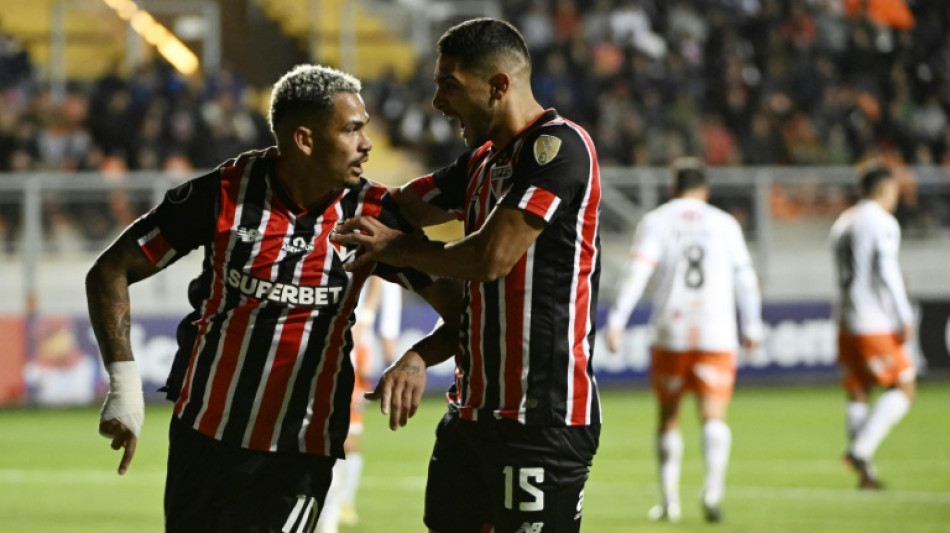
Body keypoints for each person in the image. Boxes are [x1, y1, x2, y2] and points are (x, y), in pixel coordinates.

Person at [85, 64, 459, 532]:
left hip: (300, 450)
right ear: (304, 140)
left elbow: (464, 309)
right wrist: (124, 389)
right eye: (351, 130)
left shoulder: (374, 215)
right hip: (204, 436)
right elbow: (111, 270)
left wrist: (419, 357)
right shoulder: (224, 195)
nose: (366, 143)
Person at [332, 17, 602, 533]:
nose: (437, 102)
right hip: (471, 415)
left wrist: (395, 247)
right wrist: (329, 174)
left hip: (539, 420)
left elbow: (489, 258)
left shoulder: (559, 148)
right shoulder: (479, 163)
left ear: (498, 85)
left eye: (449, 85)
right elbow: (396, 209)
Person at [604, 157, 763, 523]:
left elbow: (637, 272)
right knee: (713, 416)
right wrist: (752, 325)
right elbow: (746, 279)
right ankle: (713, 490)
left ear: (672, 187)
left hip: (671, 330)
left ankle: (669, 502)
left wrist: (617, 319)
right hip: (716, 330)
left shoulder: (657, 221)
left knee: (668, 416)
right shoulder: (724, 223)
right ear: (704, 189)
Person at [830, 164, 916, 490]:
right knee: (905, 388)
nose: (896, 199)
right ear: (882, 190)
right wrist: (903, 314)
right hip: (874, 320)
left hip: (845, 319)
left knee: (859, 393)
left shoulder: (843, 221)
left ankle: (865, 477)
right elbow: (887, 270)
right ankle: (860, 451)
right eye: (894, 192)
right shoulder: (880, 221)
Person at [317, 277, 402, 533]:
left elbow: (376, 275)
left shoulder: (366, 300)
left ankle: (334, 511)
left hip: (350, 348)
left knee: (344, 436)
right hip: (331, 343)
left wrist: (366, 318)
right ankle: (329, 511)